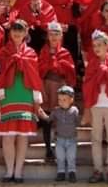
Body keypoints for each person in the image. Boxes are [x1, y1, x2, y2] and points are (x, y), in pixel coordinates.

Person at [0, 20, 43, 183]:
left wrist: (37, 100)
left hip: (25, 96)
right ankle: (9, 171)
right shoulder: (3, 52)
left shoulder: (31, 53)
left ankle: (18, 171)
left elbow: (35, 77)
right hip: (8, 96)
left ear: (26, 32)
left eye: (20, 30)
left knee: (22, 136)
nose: (17, 33)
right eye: (14, 29)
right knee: (8, 137)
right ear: (10, 32)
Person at [82, 30, 108, 184]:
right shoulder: (92, 64)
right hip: (96, 104)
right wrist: (87, 109)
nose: (96, 48)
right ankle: (98, 169)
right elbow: (87, 85)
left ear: (107, 45)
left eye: (99, 45)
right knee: (96, 138)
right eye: (94, 46)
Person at [37, 22, 76, 162]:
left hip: (60, 86)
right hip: (46, 85)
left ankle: (61, 148)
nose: (54, 37)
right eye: (51, 34)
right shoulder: (43, 52)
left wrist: (59, 66)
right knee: (47, 118)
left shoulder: (65, 53)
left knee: (61, 118)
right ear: (47, 36)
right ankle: (48, 149)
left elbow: (70, 71)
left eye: (57, 34)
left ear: (61, 36)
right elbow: (39, 69)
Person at [37, 85, 79, 183]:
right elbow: (49, 119)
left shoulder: (75, 111)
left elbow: (77, 122)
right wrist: (42, 114)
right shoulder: (56, 111)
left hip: (71, 140)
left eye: (64, 100)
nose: (61, 102)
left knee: (71, 157)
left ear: (71, 100)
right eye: (59, 100)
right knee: (60, 157)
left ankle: (72, 172)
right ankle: (61, 172)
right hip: (59, 140)